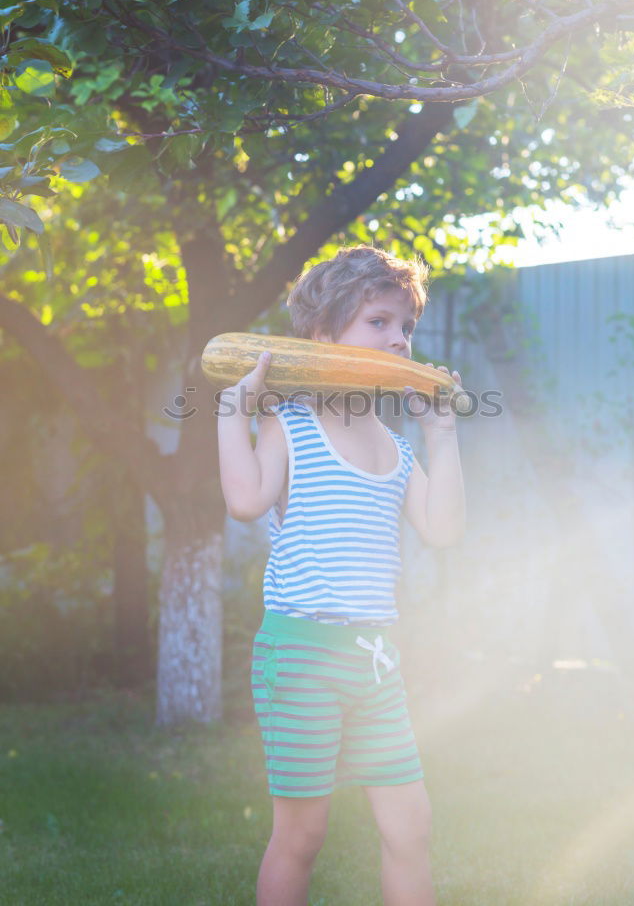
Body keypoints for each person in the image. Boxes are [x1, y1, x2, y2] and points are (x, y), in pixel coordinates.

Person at [217, 245, 466, 906]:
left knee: (411, 828)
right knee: (303, 835)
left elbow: (443, 531)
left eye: (405, 327)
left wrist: (441, 436)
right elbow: (244, 501)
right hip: (300, 653)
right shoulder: (290, 428)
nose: (398, 339)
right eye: (378, 322)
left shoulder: (396, 446)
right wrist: (231, 414)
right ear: (323, 337)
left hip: (376, 657)